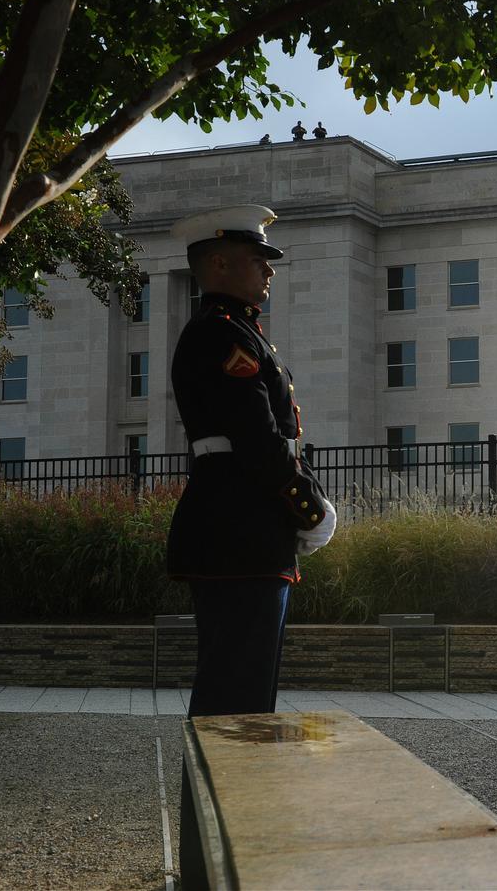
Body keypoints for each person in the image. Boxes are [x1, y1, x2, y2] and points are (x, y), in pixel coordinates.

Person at [166, 204, 335, 887]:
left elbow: (271, 442)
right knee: (230, 709)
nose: (268, 270)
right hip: (238, 534)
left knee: (242, 705)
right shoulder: (218, 335)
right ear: (216, 264)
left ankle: (225, 856)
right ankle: (211, 868)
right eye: (256, 258)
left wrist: (302, 502)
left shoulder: (238, 332)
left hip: (244, 535)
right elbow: (258, 441)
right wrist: (307, 506)